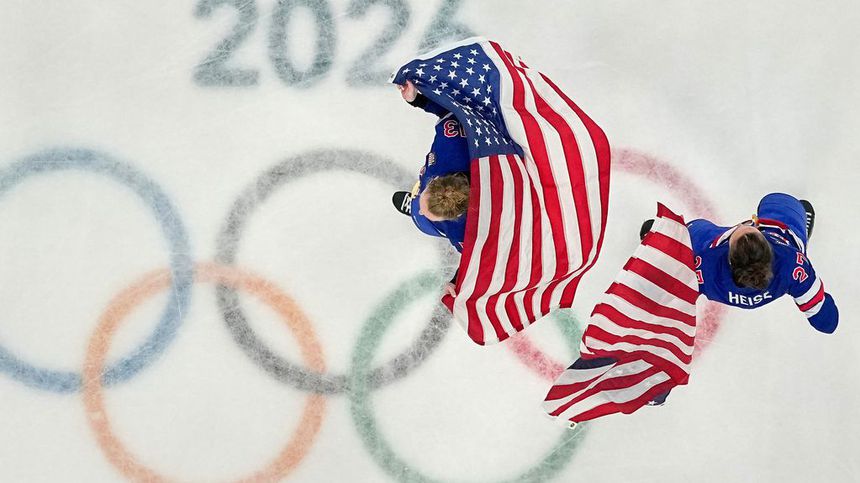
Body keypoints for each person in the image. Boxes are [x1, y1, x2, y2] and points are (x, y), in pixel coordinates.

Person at [642, 193, 838, 333]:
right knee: (780, 203)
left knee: (695, 231)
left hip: (714, 265)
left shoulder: (706, 264)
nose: (746, 226)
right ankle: (798, 234)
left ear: (728, 255)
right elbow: (828, 322)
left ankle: (661, 238)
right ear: (769, 246)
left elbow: (670, 285)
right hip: (782, 255)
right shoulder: (791, 263)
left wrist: (665, 246)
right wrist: (810, 289)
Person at [392, 80, 472, 296]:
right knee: (422, 212)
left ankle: (427, 220)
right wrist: (417, 99)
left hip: (459, 223)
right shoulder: (452, 144)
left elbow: (476, 259)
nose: (419, 207)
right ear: (435, 182)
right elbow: (452, 111)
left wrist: (456, 281)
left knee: (422, 221)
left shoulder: (462, 231)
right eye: (424, 199)